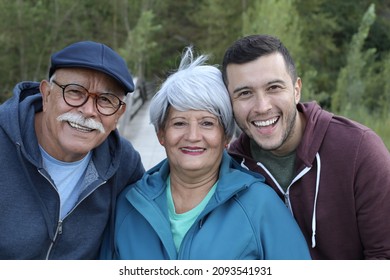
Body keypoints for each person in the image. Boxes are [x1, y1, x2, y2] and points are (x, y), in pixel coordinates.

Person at [100, 47, 311, 260]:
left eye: (207, 123)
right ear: (161, 134)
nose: (193, 136)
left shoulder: (261, 206)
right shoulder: (129, 205)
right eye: (179, 123)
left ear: (226, 137)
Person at [221, 34, 390, 260]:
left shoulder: (359, 150)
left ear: (296, 89)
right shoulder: (229, 168)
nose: (262, 107)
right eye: (245, 93)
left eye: (273, 87)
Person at [0, 41, 145, 259]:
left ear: (119, 114)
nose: (88, 111)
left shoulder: (123, 162)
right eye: (75, 92)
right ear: (47, 94)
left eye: (105, 100)